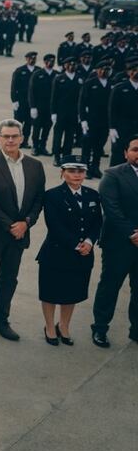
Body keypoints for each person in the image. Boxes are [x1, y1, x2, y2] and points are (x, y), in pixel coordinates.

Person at [0, 119, 46, 342]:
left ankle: (1, 320)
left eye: (15, 136)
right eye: (6, 136)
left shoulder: (35, 166)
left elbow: (38, 199)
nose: (11, 140)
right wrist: (9, 225)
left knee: (9, 278)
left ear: (22, 138)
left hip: (20, 233)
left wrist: (27, 222)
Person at [36, 157, 101, 346]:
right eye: (72, 171)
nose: (77, 175)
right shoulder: (52, 195)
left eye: (80, 171)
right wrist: (76, 244)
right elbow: (54, 225)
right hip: (56, 252)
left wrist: (89, 242)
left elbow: (97, 222)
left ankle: (64, 326)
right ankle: (49, 326)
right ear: (62, 173)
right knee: (50, 292)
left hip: (83, 254)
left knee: (72, 292)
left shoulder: (92, 195)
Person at [91, 134, 138, 348]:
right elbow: (111, 208)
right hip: (119, 243)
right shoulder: (113, 175)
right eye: (135, 149)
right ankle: (100, 328)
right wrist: (132, 233)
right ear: (125, 152)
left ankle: (136, 330)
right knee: (110, 286)